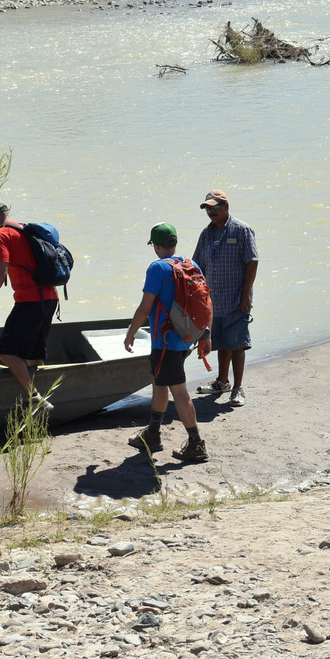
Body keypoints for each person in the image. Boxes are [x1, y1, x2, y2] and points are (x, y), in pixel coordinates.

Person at [124, 223, 208, 463]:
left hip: (165, 341)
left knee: (178, 390)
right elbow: (203, 303)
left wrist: (131, 332)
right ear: (175, 243)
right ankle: (152, 434)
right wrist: (205, 335)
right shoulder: (191, 264)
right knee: (159, 385)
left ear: (157, 246)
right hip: (184, 338)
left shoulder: (158, 268)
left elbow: (145, 307)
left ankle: (196, 444)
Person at [0, 202, 59, 411]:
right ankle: (47, 396)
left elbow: (1, 272)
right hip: (50, 297)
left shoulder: (1, 235)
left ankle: (35, 399)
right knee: (34, 354)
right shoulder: (23, 229)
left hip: (30, 300)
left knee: (7, 352)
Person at [191, 189, 258, 407]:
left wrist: (246, 293)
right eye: (207, 209)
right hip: (214, 301)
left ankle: (238, 388)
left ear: (226, 207)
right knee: (220, 343)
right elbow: (197, 265)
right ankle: (222, 382)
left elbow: (252, 261)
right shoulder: (206, 234)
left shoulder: (242, 230)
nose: (211, 212)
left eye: (215, 208)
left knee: (237, 345)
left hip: (237, 299)